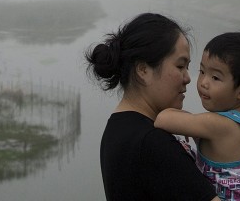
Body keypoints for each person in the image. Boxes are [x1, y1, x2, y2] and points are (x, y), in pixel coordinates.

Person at [85, 12, 220, 201]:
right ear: (143, 70)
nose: (188, 78)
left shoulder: (117, 129)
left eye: (188, 67)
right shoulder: (152, 143)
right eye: (180, 66)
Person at [154, 31, 240, 201]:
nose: (203, 82)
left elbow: (162, 119)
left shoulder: (221, 125)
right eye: (202, 71)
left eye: (215, 77)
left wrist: (185, 120)